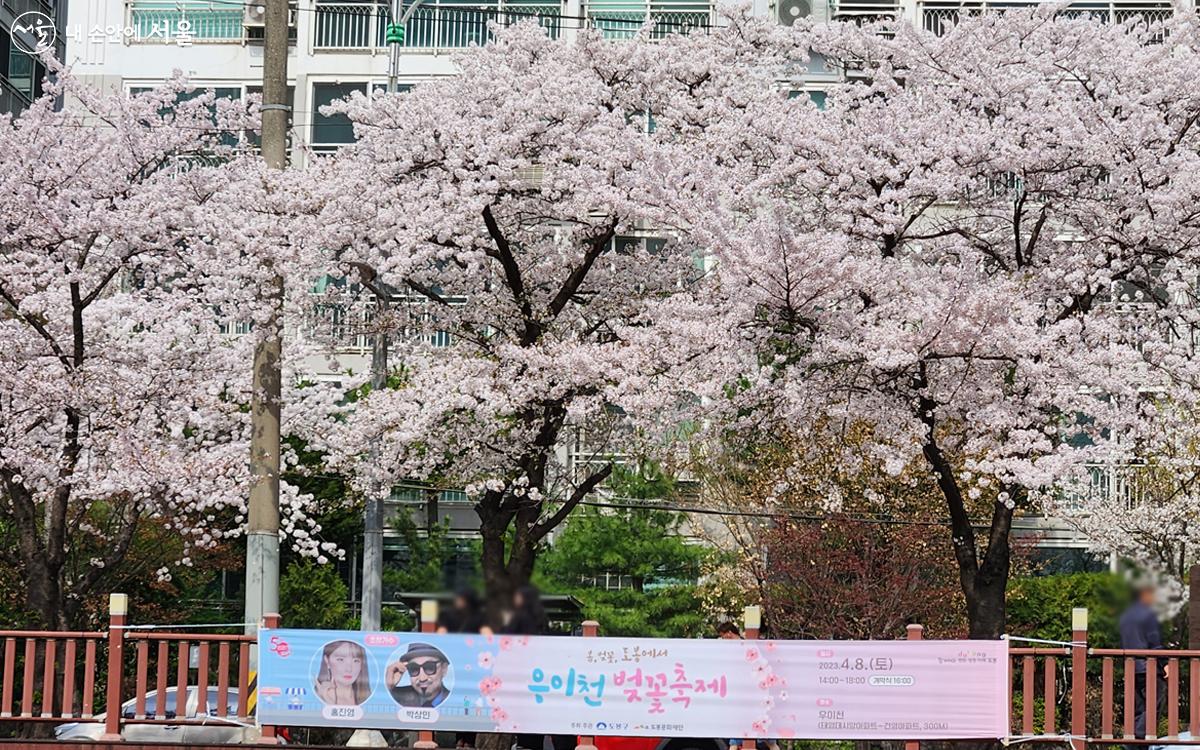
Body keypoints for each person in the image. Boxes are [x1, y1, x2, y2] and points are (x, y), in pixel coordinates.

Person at [1121, 582, 1167, 749]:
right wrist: (1165, 664)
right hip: (1149, 666)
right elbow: (1155, 642)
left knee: (1139, 707)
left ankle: (1133, 740)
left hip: (1131, 666)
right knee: (1154, 704)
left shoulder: (1126, 616)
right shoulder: (1148, 614)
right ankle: (1139, 739)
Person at [387, 642, 451, 708]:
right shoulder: (395, 696)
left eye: (430, 667)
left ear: (444, 669)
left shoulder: (455, 700)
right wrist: (388, 686)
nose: (422, 678)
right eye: (414, 668)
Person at [314, 640, 372, 706]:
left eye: (356, 661)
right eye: (340, 659)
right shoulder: (317, 697)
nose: (349, 669)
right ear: (327, 660)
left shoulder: (368, 698)